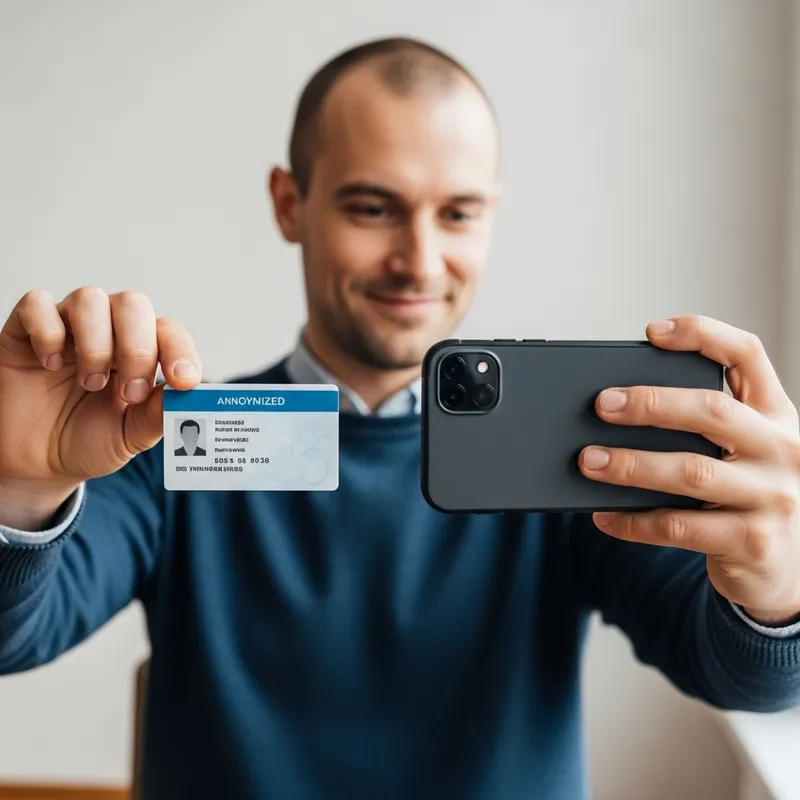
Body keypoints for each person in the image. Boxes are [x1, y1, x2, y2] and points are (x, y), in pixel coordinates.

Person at [1, 36, 799, 800]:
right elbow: (14, 636)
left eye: (457, 214)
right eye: (374, 207)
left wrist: (776, 585)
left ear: (492, 214)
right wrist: (20, 486)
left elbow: (745, 676)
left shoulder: (571, 451)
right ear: (290, 204)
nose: (419, 260)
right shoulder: (167, 433)